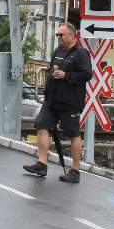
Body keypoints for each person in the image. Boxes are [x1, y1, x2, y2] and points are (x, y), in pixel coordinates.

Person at [24, 22, 92, 183]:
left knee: (73, 134)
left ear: (72, 36)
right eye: (57, 35)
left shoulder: (81, 54)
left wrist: (66, 76)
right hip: (52, 100)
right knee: (41, 125)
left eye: (61, 35)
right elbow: (52, 71)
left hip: (70, 102)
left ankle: (75, 170)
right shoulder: (58, 51)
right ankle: (42, 164)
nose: (58, 38)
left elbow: (86, 75)